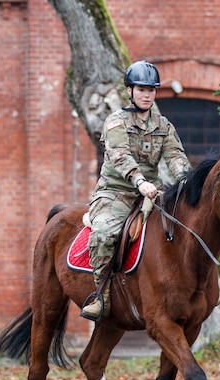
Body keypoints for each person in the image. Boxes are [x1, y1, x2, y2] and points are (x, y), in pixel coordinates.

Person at [81, 60, 191, 321]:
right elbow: (120, 157)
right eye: (141, 89)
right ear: (129, 90)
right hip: (115, 193)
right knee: (105, 234)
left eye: (151, 90)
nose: (146, 95)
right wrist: (140, 181)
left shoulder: (164, 126)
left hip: (151, 195)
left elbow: (175, 156)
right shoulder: (116, 122)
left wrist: (186, 181)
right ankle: (100, 295)